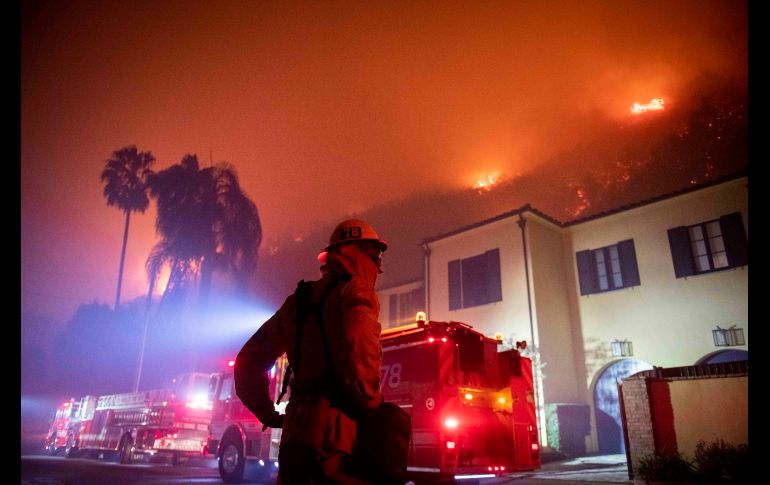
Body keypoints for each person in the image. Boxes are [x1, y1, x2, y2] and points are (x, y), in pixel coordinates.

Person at [234, 218, 387, 484]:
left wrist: (266, 412)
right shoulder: (355, 292)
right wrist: (372, 407)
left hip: (295, 436)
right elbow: (361, 352)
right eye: (375, 255)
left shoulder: (298, 301)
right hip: (337, 444)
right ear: (359, 253)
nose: (378, 266)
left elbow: (248, 361)